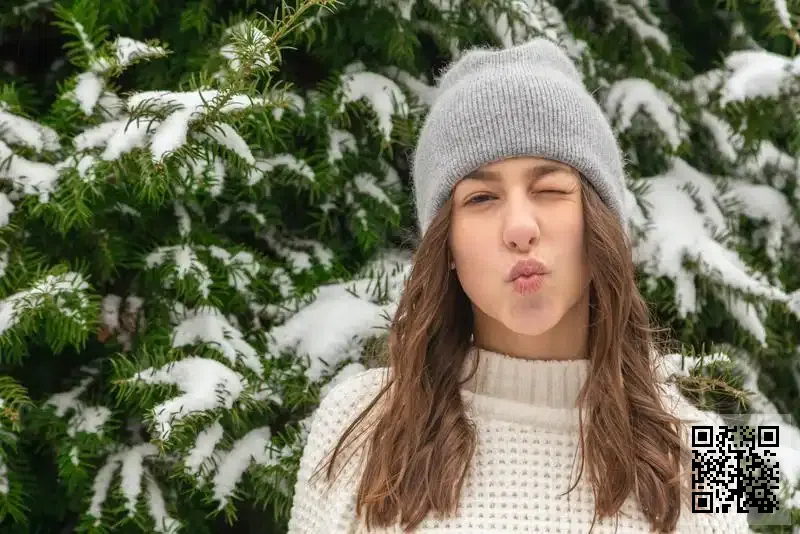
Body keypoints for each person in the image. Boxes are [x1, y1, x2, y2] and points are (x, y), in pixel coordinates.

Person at [287, 38, 752, 533]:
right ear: (446, 246)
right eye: (481, 198)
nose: (519, 228)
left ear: (601, 223)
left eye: (549, 189)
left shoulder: (715, 448)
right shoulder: (354, 420)